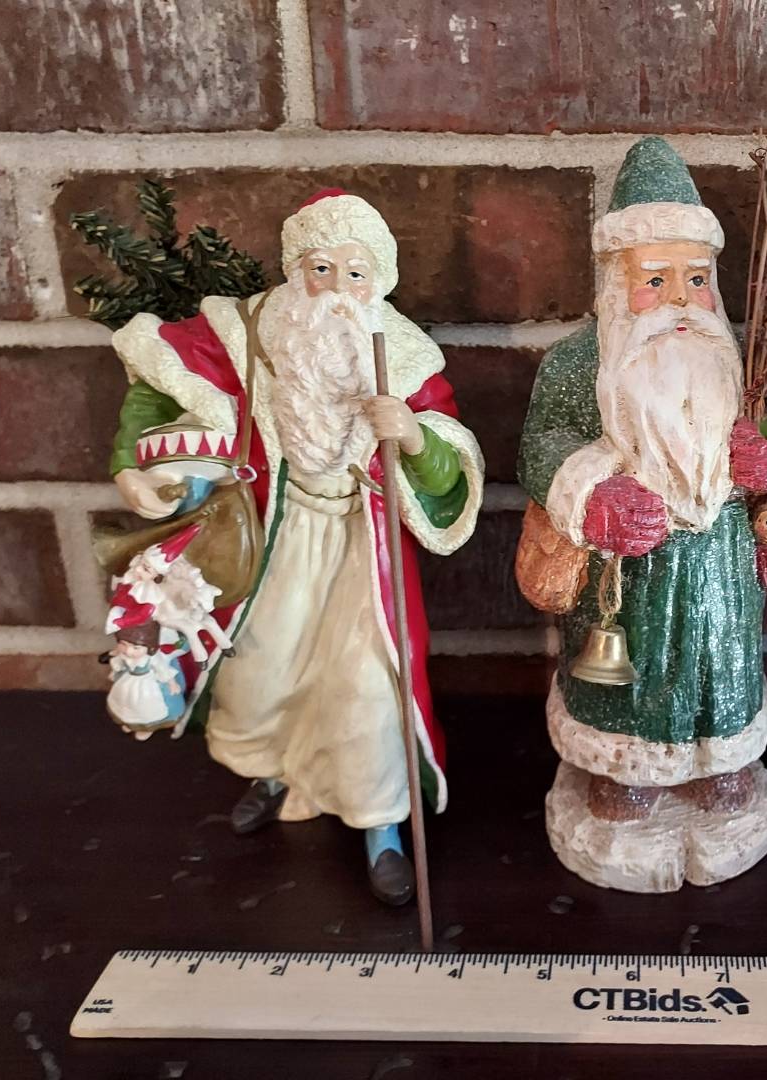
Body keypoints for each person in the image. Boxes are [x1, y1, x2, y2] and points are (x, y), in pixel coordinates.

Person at [108, 189, 484, 904]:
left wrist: (411, 436)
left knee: (365, 688)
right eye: (320, 268)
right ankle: (273, 772)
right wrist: (133, 463)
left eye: (355, 272)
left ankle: (380, 828)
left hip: (359, 548)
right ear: (294, 269)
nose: (336, 287)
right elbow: (159, 384)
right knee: (261, 669)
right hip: (273, 538)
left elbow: (449, 470)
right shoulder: (246, 333)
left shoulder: (403, 358)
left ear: (378, 281)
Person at [517, 137, 767, 892]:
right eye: (655, 279)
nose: (680, 298)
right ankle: (624, 771)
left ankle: (721, 762)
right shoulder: (579, 364)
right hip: (625, 570)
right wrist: (592, 492)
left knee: (722, 664)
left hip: (720, 559)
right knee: (628, 675)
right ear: (617, 285)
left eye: (696, 278)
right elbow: (542, 444)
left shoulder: (743, 359)